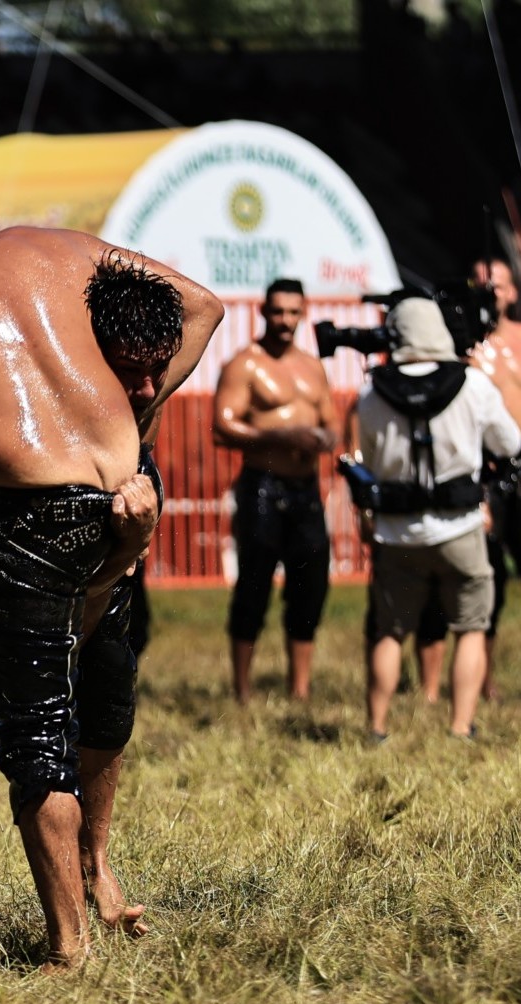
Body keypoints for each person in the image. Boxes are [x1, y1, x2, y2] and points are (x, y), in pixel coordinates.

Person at [0, 179, 222, 968]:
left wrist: (50, 470)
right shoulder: (70, 247)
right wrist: (123, 439)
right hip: (86, 498)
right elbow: (203, 307)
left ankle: (93, 873)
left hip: (58, 502)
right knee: (26, 719)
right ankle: (67, 948)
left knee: (95, 696)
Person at [352, 297, 521, 741]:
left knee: (390, 631)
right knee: (470, 627)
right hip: (460, 527)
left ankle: (377, 727)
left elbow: (370, 460)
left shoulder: (371, 392)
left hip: (396, 532)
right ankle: (461, 726)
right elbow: (509, 444)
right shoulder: (473, 384)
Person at [419, 258, 521, 697]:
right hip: (474, 475)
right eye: (483, 285)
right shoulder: (457, 343)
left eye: (499, 286)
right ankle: (479, 685)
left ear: (513, 293)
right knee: (479, 583)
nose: (492, 293)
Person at [212, 278, 338, 704]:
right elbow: (223, 425)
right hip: (262, 487)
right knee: (254, 585)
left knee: (310, 586)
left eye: (293, 312)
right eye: (278, 312)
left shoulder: (311, 365)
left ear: (303, 313)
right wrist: (282, 436)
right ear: (264, 313)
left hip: (306, 489)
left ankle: (299, 688)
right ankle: (242, 691)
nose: (285, 320)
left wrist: (326, 438)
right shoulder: (245, 363)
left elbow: (330, 421)